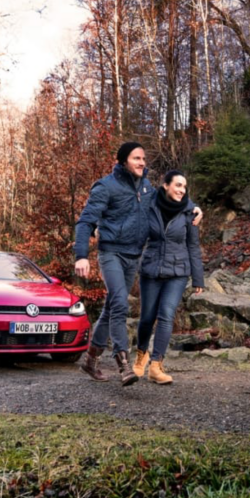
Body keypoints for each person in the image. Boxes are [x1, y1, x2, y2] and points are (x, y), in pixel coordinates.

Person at [74, 143, 200, 385]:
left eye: (144, 158)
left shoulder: (146, 188)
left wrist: (193, 207)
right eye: (136, 158)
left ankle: (90, 359)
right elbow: (85, 221)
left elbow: (171, 196)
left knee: (111, 307)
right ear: (123, 161)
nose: (142, 162)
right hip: (111, 252)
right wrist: (81, 255)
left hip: (134, 256)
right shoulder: (106, 186)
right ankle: (123, 363)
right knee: (120, 302)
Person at [132, 170, 204, 385]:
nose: (182, 190)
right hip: (151, 270)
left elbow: (193, 245)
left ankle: (156, 365)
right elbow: (136, 236)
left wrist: (198, 278)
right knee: (147, 317)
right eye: (178, 185)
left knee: (166, 314)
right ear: (165, 185)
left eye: (184, 186)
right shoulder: (148, 206)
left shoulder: (189, 212)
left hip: (178, 272)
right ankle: (141, 355)